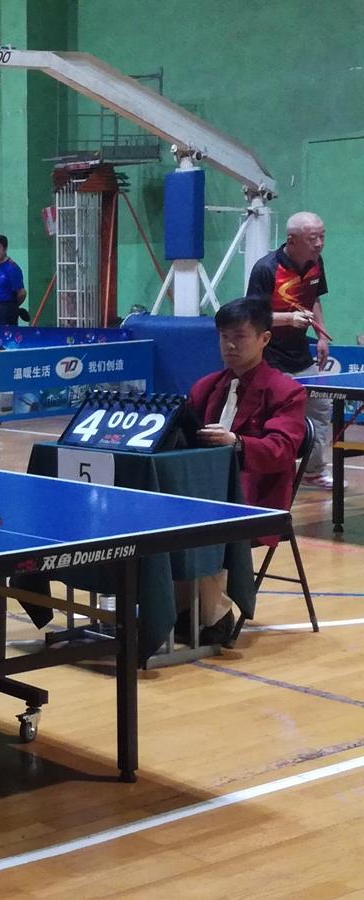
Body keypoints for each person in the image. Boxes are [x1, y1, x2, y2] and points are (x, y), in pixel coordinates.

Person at [185, 296, 306, 645]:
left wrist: (237, 443)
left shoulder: (287, 392)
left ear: (264, 339)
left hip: (256, 499)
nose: (230, 345)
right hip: (204, 490)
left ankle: (215, 617)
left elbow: (281, 450)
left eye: (239, 336)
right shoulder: (205, 387)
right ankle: (178, 609)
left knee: (202, 525)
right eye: (224, 337)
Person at [247, 211, 333, 490]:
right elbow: (253, 317)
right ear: (292, 240)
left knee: (320, 408)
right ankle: (265, 473)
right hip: (269, 358)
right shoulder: (266, 269)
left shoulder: (315, 262)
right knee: (272, 418)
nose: (319, 243)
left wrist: (321, 336)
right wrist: (288, 319)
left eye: (322, 236)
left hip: (301, 355)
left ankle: (313, 471)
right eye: (313, 238)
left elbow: (314, 298)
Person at [0, 234, 27, 326]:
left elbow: (22, 293)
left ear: (5, 249)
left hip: (5, 310)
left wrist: (12, 307)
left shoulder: (12, 268)